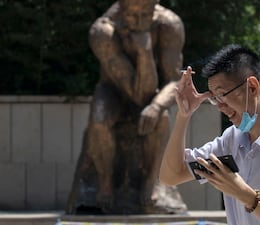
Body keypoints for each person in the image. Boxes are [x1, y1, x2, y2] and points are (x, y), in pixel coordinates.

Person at [159, 44, 260, 225]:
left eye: (222, 95)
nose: (220, 106)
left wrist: (245, 195)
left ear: (252, 87)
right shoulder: (231, 139)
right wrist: (184, 116)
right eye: (214, 98)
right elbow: (172, 175)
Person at [67, 0, 186, 214]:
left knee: (162, 118)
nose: (139, 22)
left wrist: (157, 105)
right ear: (122, 9)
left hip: (151, 94)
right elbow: (136, 91)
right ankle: (104, 183)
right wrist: (144, 52)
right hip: (114, 90)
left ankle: (153, 183)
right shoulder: (103, 32)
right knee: (100, 117)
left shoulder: (170, 24)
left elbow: (174, 80)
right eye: (133, 16)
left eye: (145, 15)